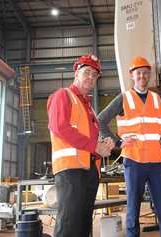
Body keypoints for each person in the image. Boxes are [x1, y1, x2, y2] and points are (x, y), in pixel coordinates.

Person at [98, 56, 161, 237]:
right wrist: (117, 143)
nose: (142, 76)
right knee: (133, 211)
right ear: (132, 75)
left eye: (145, 73)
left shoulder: (157, 99)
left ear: (149, 75)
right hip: (134, 162)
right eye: (138, 73)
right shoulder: (123, 98)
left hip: (156, 162)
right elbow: (100, 120)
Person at [47, 53, 114, 237]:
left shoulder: (89, 109)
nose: (91, 77)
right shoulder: (63, 96)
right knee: (69, 225)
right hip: (70, 171)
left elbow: (87, 141)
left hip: (90, 171)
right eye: (87, 72)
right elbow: (59, 127)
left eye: (95, 74)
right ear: (76, 73)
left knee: (84, 225)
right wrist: (95, 146)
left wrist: (102, 147)